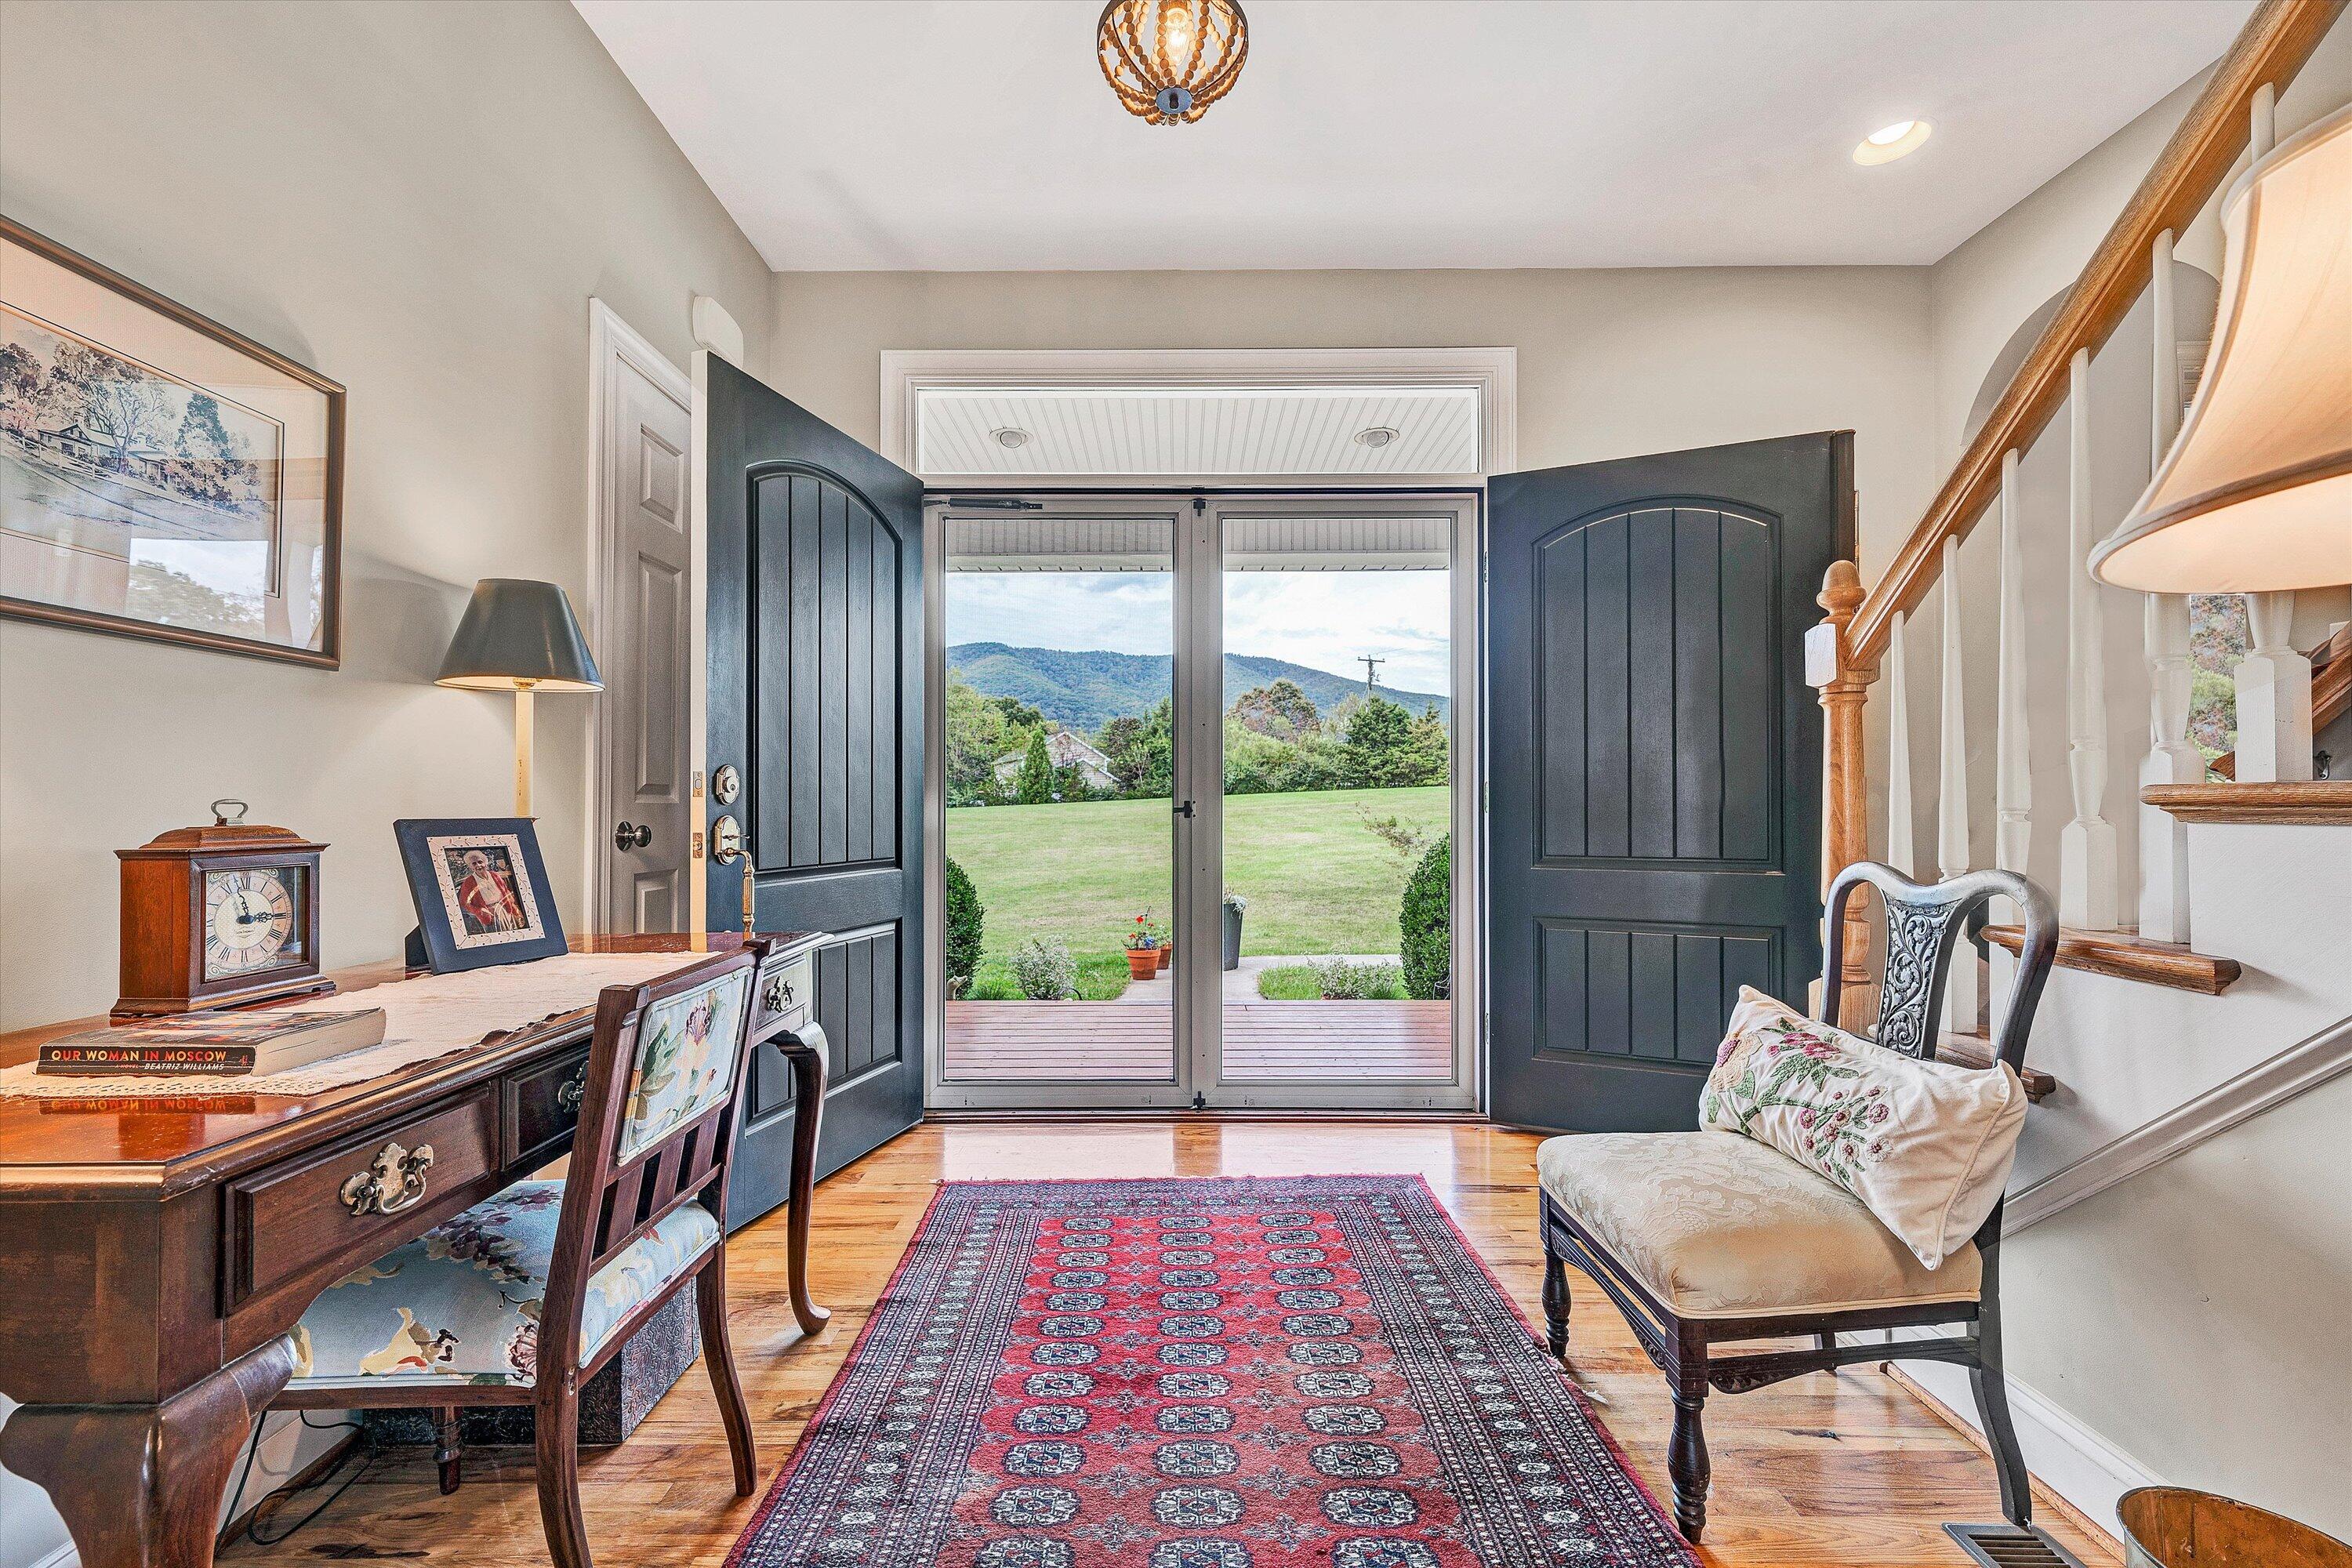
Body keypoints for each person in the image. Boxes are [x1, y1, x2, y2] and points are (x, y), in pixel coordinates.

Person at [452, 848, 527, 932]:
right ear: (471, 867)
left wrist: (516, 912)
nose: (478, 865)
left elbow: (507, 894)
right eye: (474, 864)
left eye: (480, 862)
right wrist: (480, 911)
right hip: (489, 916)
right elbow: (465, 903)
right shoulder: (468, 882)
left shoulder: (495, 876)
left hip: (505, 911)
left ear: (485, 863)